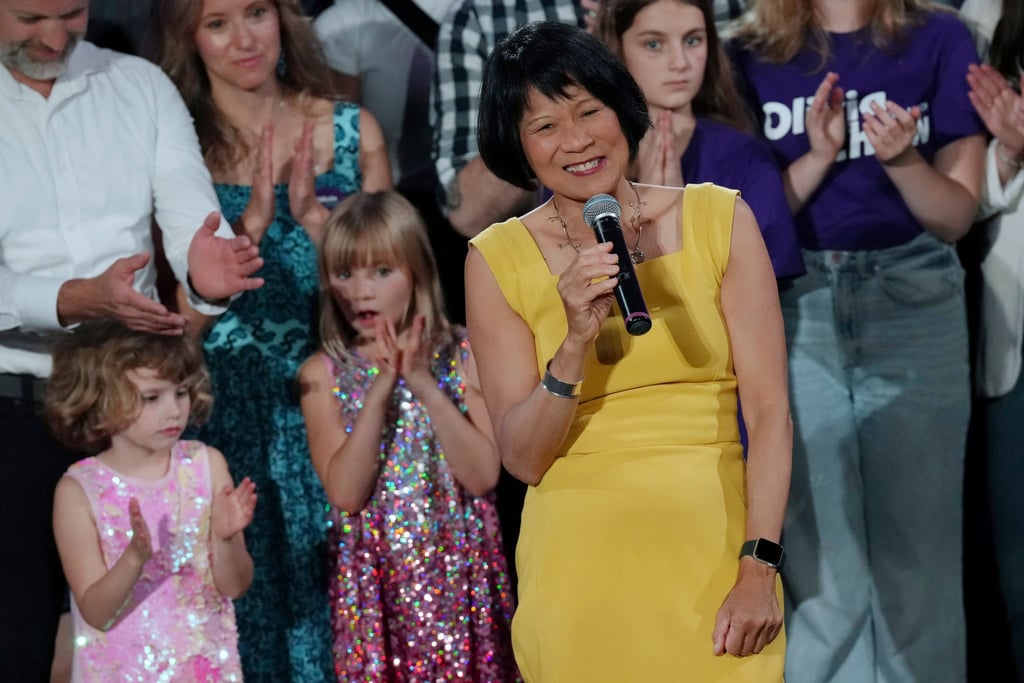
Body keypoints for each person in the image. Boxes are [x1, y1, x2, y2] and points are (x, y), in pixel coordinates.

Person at [467, 21, 792, 680]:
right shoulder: (495, 259)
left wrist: (760, 562)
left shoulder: (720, 219)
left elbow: (769, 413)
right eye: (546, 126)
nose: (578, 139)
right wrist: (574, 342)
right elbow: (523, 457)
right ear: (518, 147)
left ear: (624, 107)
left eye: (589, 110)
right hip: (580, 576)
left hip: (716, 565)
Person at [0, 1, 264, 679]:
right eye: (31, 17)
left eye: (73, 13)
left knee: (168, 624)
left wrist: (207, 277)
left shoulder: (139, 87)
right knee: (15, 637)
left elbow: (191, 217)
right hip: (12, 404)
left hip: (133, 410)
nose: (56, 37)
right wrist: (69, 300)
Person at [727, 0, 986, 680]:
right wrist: (819, 157)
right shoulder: (745, 53)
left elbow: (957, 215)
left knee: (919, 566)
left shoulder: (941, 35)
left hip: (913, 298)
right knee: (820, 570)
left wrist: (901, 160)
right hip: (793, 302)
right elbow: (744, 220)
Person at [147, 0, 390, 680]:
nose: (243, 38)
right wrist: (239, 248)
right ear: (189, 40)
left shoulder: (351, 130)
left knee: (340, 622)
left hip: (334, 406)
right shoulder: (175, 150)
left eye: (256, 12)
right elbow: (165, 334)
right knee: (242, 629)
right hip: (219, 412)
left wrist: (320, 233)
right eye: (216, 22)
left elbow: (392, 299)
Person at [298, 191, 518, 681]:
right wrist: (383, 387)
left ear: (416, 269)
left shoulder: (463, 351)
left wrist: (421, 381)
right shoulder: (323, 374)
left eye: (380, 272)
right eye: (345, 273)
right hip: (377, 594)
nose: (360, 292)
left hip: (460, 584)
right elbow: (345, 493)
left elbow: (483, 476)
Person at [44, 319, 256, 681]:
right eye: (152, 398)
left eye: (181, 393)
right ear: (102, 399)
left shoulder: (205, 464)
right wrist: (133, 560)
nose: (174, 411)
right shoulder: (79, 490)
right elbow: (96, 612)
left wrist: (225, 538)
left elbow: (234, 586)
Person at [596, 0, 803, 281]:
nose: (680, 63)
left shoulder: (746, 158)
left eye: (693, 40)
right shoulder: (583, 157)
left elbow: (759, 292)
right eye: (654, 45)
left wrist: (677, 220)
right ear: (617, 48)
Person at [962, 0, 1024, 678]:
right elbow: (963, 202)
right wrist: (1009, 148)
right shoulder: (981, 16)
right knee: (1017, 582)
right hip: (1012, 333)